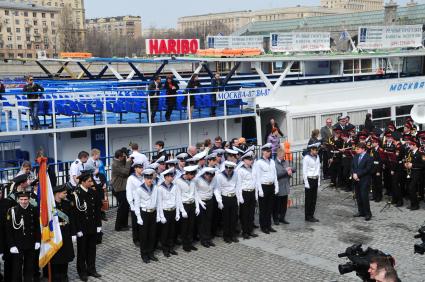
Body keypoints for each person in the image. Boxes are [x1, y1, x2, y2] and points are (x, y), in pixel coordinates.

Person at [71, 171, 102, 281]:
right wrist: (77, 230)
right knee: (82, 251)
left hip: (92, 226)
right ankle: (82, 272)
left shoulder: (92, 192)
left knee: (92, 249)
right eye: (89, 181)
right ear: (83, 182)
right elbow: (74, 215)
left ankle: (91, 269)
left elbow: (97, 209)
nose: (91, 183)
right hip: (82, 228)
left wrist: (99, 224)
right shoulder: (76, 194)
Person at [5, 191, 41, 282]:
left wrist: (37, 241)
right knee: (17, 268)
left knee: (29, 267)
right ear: (18, 200)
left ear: (29, 200)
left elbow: (37, 227)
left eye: (26, 199)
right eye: (21, 199)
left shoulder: (33, 210)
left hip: (30, 243)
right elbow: (8, 231)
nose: (24, 202)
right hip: (17, 244)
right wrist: (12, 245)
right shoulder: (12, 211)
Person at [50, 184, 75, 282]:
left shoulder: (67, 204)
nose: (66, 194)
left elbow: (71, 219)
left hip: (65, 233)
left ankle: (64, 277)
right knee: (56, 258)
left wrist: (73, 233)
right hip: (55, 234)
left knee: (65, 257)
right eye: (64, 193)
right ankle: (56, 278)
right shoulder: (51, 206)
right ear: (57, 193)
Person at [134, 169, 160, 263]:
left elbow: (158, 202)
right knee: (144, 235)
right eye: (148, 178)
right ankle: (144, 254)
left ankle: (151, 253)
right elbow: (137, 204)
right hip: (144, 213)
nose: (150, 180)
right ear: (144, 179)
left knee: (152, 234)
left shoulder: (155, 187)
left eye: (151, 178)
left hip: (153, 212)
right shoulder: (139, 189)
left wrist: (158, 214)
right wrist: (138, 217)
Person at [253, 143, 279, 234]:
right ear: (263, 151)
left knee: (270, 207)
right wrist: (259, 190)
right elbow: (257, 177)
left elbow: (274, 175)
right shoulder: (258, 163)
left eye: (270, 151)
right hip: (263, 186)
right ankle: (263, 226)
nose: (269, 153)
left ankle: (269, 225)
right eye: (267, 151)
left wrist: (276, 186)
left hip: (271, 185)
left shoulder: (272, 161)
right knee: (263, 208)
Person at [214, 161, 241, 243]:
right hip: (225, 198)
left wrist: (238, 199)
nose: (228, 170)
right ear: (225, 167)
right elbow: (217, 189)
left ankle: (233, 235)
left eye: (231, 168)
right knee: (226, 219)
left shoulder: (236, 174)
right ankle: (226, 236)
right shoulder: (219, 176)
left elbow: (238, 186)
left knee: (233, 218)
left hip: (233, 197)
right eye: (227, 168)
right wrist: (219, 201)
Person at [175, 165, 199, 252]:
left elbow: (195, 193)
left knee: (191, 225)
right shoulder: (178, 181)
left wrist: (197, 206)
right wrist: (182, 210)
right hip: (184, 205)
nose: (193, 177)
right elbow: (178, 197)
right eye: (192, 175)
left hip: (192, 204)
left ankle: (190, 243)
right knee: (185, 226)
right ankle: (185, 244)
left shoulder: (193, 180)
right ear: (188, 174)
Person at [157, 168, 180, 257]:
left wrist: (177, 213)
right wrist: (161, 216)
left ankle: (171, 247)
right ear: (166, 177)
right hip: (165, 211)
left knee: (172, 231)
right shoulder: (160, 188)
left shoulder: (174, 186)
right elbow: (159, 203)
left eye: (172, 176)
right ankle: (165, 249)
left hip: (173, 210)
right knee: (165, 232)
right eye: (170, 176)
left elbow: (177, 200)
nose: (172, 177)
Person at [193, 167, 217, 247]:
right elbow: (195, 192)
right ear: (205, 174)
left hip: (209, 200)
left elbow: (214, 189)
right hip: (201, 201)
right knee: (202, 221)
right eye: (209, 176)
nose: (210, 178)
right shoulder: (198, 180)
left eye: (212, 176)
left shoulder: (213, 179)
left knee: (209, 220)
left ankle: (208, 238)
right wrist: (199, 202)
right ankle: (203, 239)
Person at [236, 151, 258, 239]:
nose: (251, 161)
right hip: (244, 192)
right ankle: (245, 232)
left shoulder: (253, 168)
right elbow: (238, 184)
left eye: (251, 159)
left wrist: (256, 194)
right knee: (244, 214)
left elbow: (255, 181)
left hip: (252, 192)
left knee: (251, 213)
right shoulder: (240, 170)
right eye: (249, 159)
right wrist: (240, 197)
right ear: (244, 160)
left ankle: (250, 230)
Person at [111, 149, 132, 232]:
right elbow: (125, 172)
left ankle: (124, 224)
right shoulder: (115, 164)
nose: (124, 158)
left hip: (123, 187)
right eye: (123, 156)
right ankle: (118, 226)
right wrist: (128, 162)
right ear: (119, 157)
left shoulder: (119, 161)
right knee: (122, 207)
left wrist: (128, 157)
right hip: (119, 188)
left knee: (126, 206)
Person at [273, 148, 295, 225]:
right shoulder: (274, 163)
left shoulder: (285, 161)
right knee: (277, 205)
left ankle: (282, 218)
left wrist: (290, 169)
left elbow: (294, 168)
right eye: (282, 156)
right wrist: (286, 171)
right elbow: (276, 175)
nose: (283, 157)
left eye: (284, 156)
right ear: (278, 155)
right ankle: (276, 219)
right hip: (278, 186)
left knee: (284, 204)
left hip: (285, 186)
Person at [125, 159, 145, 247]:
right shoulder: (131, 178)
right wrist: (131, 205)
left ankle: (142, 237)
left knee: (142, 221)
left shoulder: (145, 177)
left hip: (143, 202)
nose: (141, 169)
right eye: (140, 168)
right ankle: (136, 239)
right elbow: (128, 192)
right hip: (135, 202)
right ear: (135, 169)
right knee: (135, 222)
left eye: (142, 167)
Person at [352, 143, 373, 221]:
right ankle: (361, 211)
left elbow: (368, 169)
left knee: (364, 196)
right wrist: (354, 174)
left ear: (363, 149)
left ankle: (368, 213)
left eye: (358, 149)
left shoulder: (369, 157)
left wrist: (358, 174)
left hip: (364, 179)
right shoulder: (356, 156)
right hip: (356, 179)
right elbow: (353, 166)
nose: (356, 150)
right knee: (358, 196)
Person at [303, 143, 321, 223]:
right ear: (311, 150)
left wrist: (319, 180)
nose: (317, 151)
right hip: (309, 179)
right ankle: (307, 216)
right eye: (315, 150)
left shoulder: (318, 157)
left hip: (315, 179)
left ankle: (312, 215)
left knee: (314, 199)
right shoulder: (306, 158)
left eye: (317, 150)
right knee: (308, 199)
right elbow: (304, 171)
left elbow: (318, 169)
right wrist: (306, 182)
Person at [405, 137, 424, 210]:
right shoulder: (410, 153)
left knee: (411, 187)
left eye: (410, 145)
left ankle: (416, 205)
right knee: (410, 188)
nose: (409, 146)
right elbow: (408, 160)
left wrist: (412, 165)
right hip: (410, 172)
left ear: (415, 145)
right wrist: (406, 164)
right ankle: (413, 203)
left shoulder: (420, 154)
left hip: (417, 173)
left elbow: (423, 165)